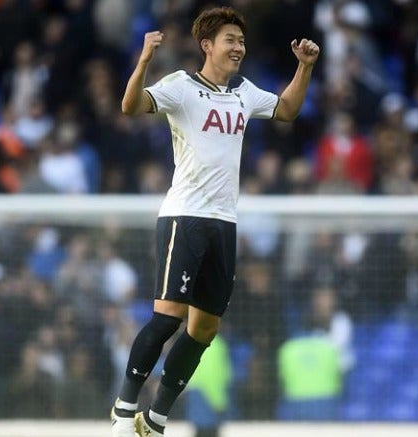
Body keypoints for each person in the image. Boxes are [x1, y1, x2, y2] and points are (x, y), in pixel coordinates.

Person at [110, 6, 319, 437]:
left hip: (224, 222)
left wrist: (304, 68)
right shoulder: (182, 86)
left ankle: (156, 418)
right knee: (167, 318)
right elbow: (130, 106)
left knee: (204, 329)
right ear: (207, 45)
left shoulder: (244, 93)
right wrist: (144, 60)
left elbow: (286, 111)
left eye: (241, 41)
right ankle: (123, 406)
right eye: (230, 39)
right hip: (184, 216)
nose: (238, 47)